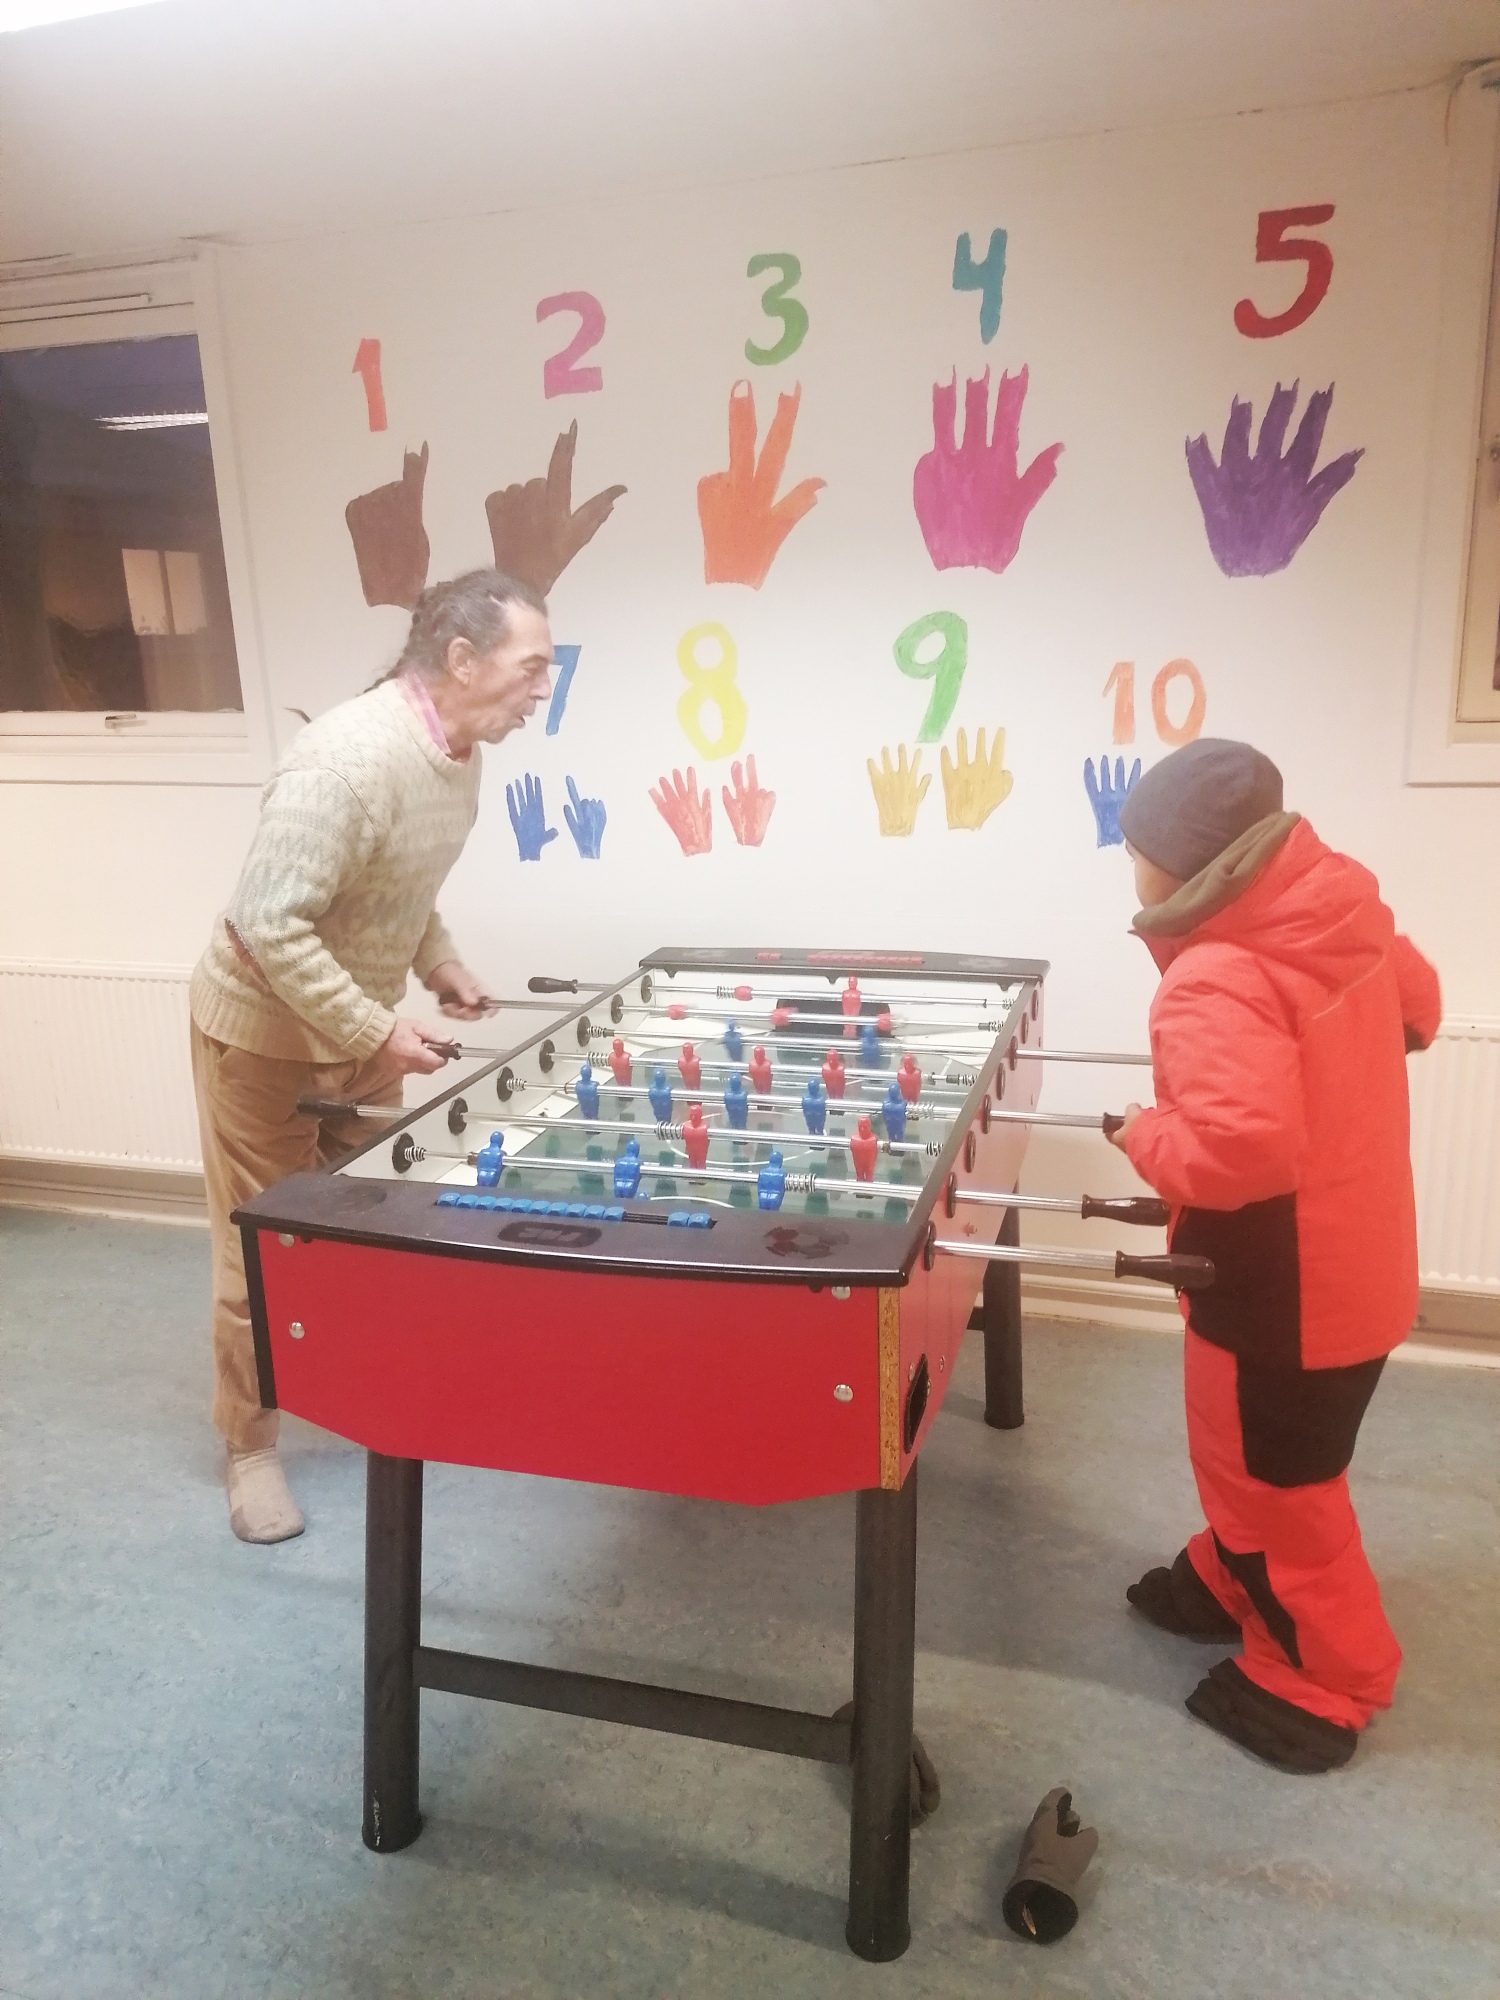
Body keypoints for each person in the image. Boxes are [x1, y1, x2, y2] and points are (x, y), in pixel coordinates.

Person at [188, 569, 553, 1543]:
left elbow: (399, 879)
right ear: (462, 659)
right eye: (532, 666)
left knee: (380, 1224)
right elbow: (267, 922)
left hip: (357, 1027)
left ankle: (378, 1389)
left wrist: (438, 962)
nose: (542, 687)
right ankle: (249, 1447)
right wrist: (376, 1028)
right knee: (261, 1249)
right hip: (261, 1036)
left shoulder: (460, 754)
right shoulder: (343, 760)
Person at [1106, 738, 1440, 1772]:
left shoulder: (1216, 975)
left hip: (1278, 1300)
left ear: (1191, 866)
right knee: (1266, 1469)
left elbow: (1234, 1152)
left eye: (1137, 851)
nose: (1130, 867)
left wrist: (1143, 1132)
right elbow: (1420, 1007)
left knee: (1281, 1495)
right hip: (1359, 1270)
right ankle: (1232, 1573)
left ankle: (1328, 1678)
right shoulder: (1339, 914)